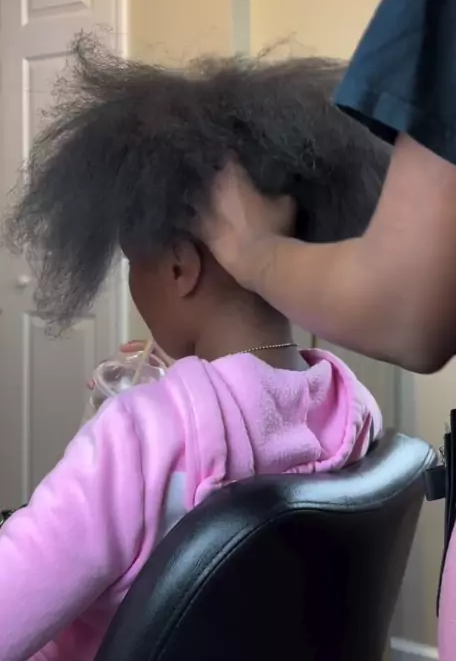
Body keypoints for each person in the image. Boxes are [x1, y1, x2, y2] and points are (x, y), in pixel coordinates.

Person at [0, 38, 385, 660]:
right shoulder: (353, 409)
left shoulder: (138, 438)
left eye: (135, 263)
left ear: (180, 265)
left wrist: (133, 424)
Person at [198, 0, 456, 659]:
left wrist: (254, 252)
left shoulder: (149, 430)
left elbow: (409, 309)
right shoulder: (345, 406)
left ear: (179, 263)